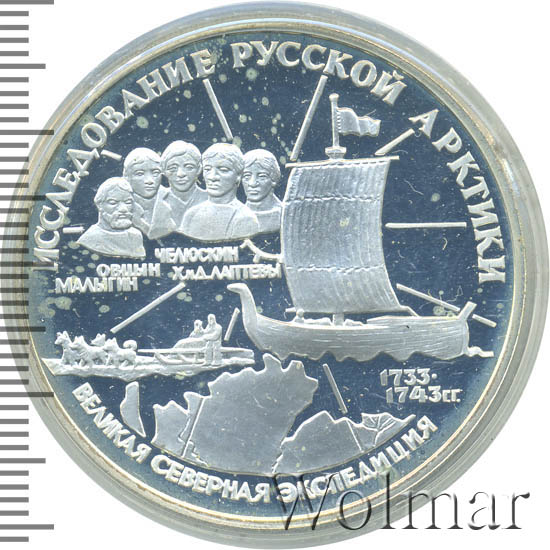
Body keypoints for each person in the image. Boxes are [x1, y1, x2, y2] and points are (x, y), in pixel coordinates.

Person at [181, 143, 259, 241]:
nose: (212, 177)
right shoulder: (191, 215)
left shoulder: (245, 218)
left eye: (223, 170)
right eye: (207, 169)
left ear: (238, 175)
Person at [77, 178, 145, 258]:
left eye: (128, 202)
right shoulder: (90, 238)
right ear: (99, 205)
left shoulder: (135, 236)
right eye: (113, 202)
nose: (123, 209)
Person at [123, 147, 175, 239]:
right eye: (140, 174)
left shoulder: (175, 199)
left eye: (155, 173)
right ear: (127, 176)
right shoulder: (116, 205)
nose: (149, 180)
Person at [160, 141, 207, 231]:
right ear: (164, 171)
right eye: (173, 168)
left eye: (189, 167)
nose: (180, 174)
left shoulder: (211, 199)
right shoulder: (157, 202)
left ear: (199, 169)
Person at [242, 149, 283, 233]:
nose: (252, 183)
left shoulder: (285, 215)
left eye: (261, 176)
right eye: (247, 176)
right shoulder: (236, 215)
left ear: (274, 179)